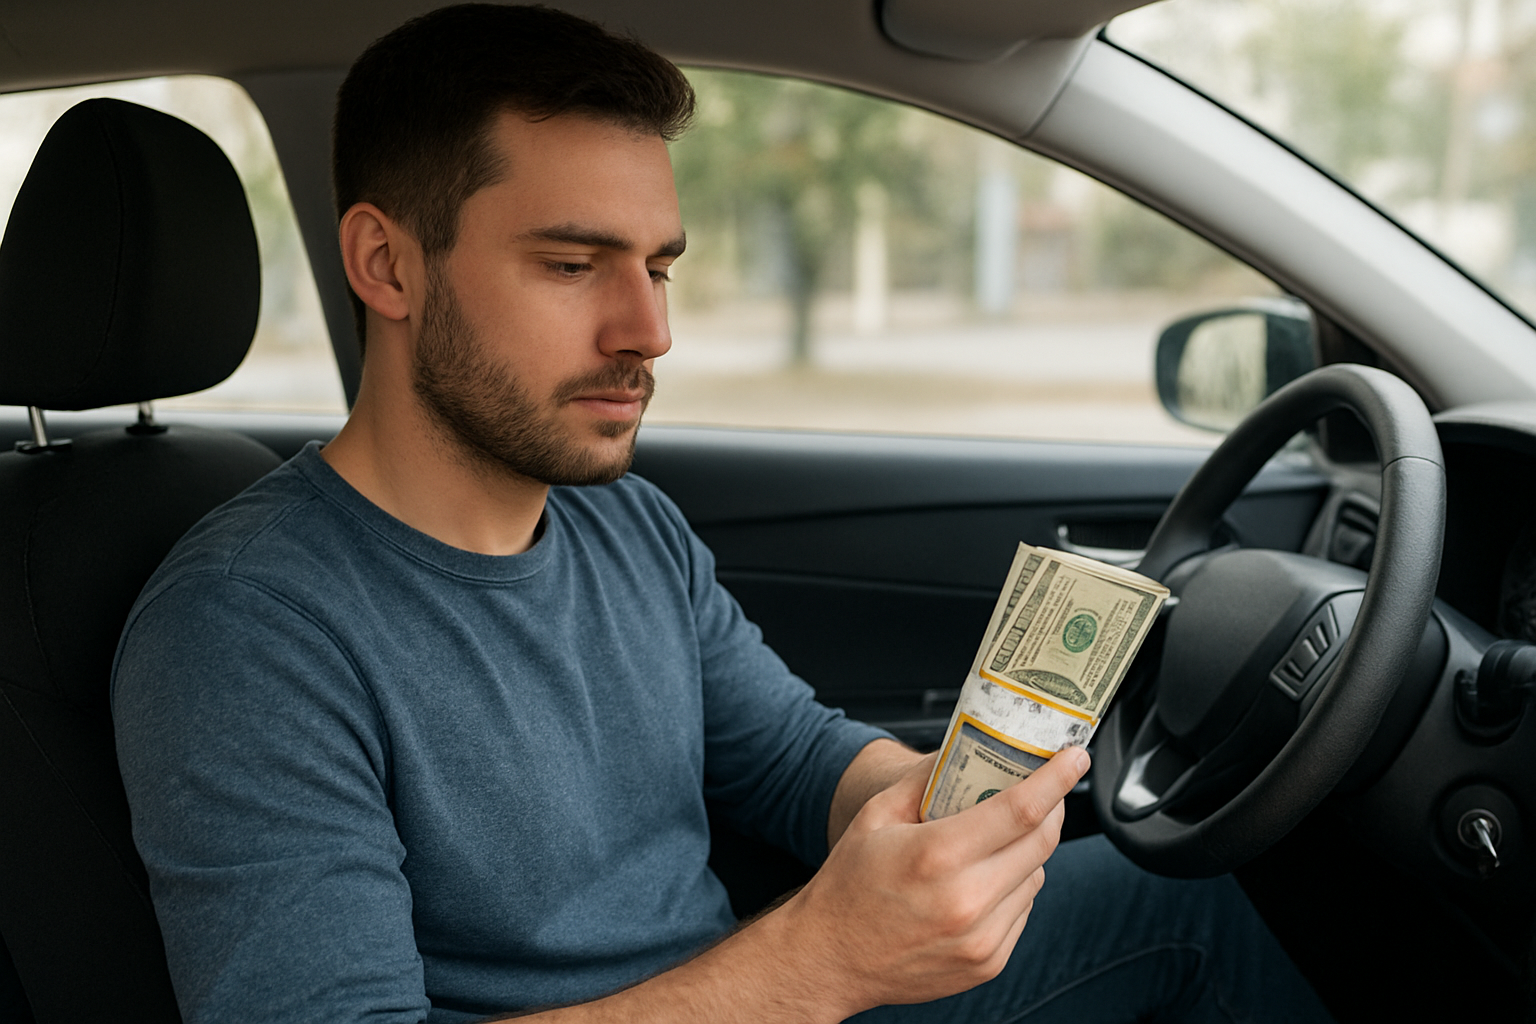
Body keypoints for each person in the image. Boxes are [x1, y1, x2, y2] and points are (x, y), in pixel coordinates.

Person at [111, 6, 1332, 1023]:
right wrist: (820, 960)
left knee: (1199, 895)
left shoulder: (627, 526)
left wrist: (934, 806)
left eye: (659, 267)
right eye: (572, 264)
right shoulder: (245, 629)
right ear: (387, 265)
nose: (650, 330)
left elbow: (793, 758)